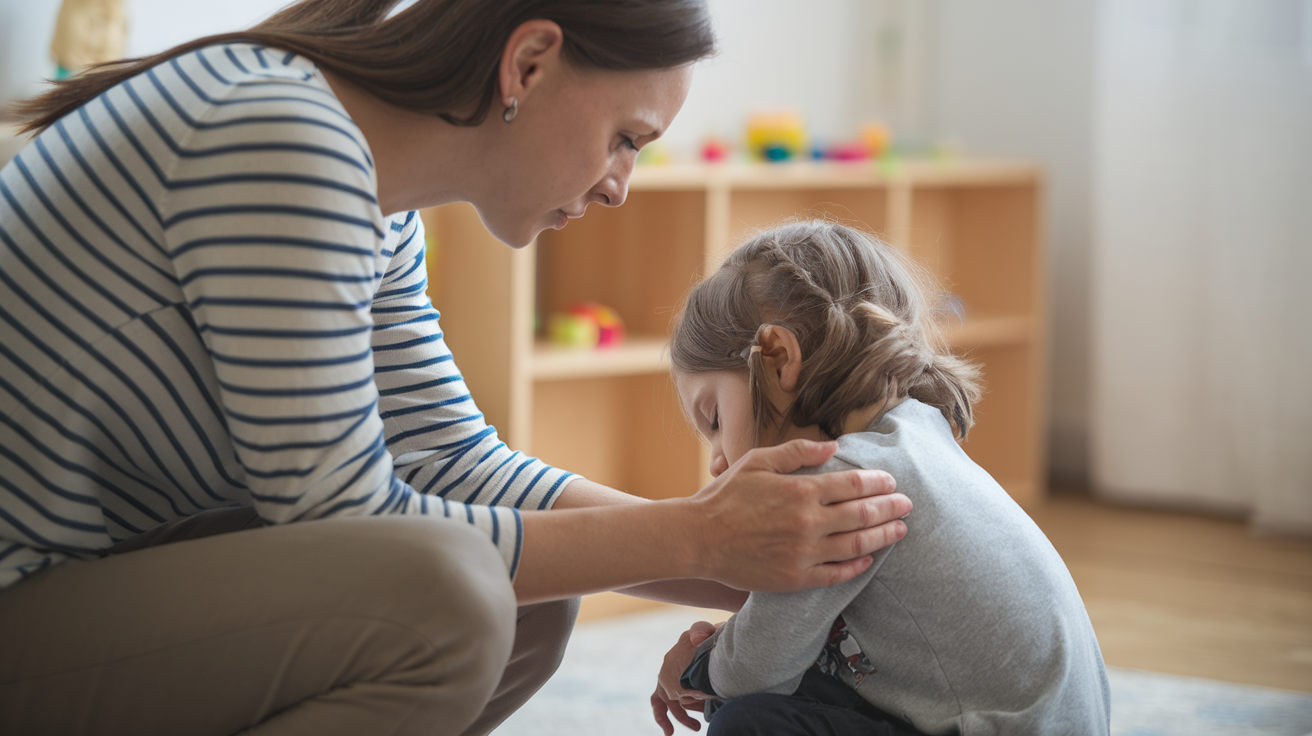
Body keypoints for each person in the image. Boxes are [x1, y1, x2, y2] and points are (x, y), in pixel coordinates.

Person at [0, 2, 916, 734]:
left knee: (525, 595)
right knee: (449, 598)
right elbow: (349, 528)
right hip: (25, 592)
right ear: (528, 64)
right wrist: (702, 537)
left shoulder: (378, 203)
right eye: (625, 136)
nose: (618, 183)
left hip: (90, 576)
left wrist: (783, 562)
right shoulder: (280, 142)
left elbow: (453, 463)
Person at [651, 221, 1111, 735]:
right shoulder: (915, 432)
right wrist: (729, 654)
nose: (716, 460)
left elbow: (755, 665)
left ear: (778, 359)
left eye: (714, 419)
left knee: (749, 719)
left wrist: (692, 668)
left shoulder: (836, 478)